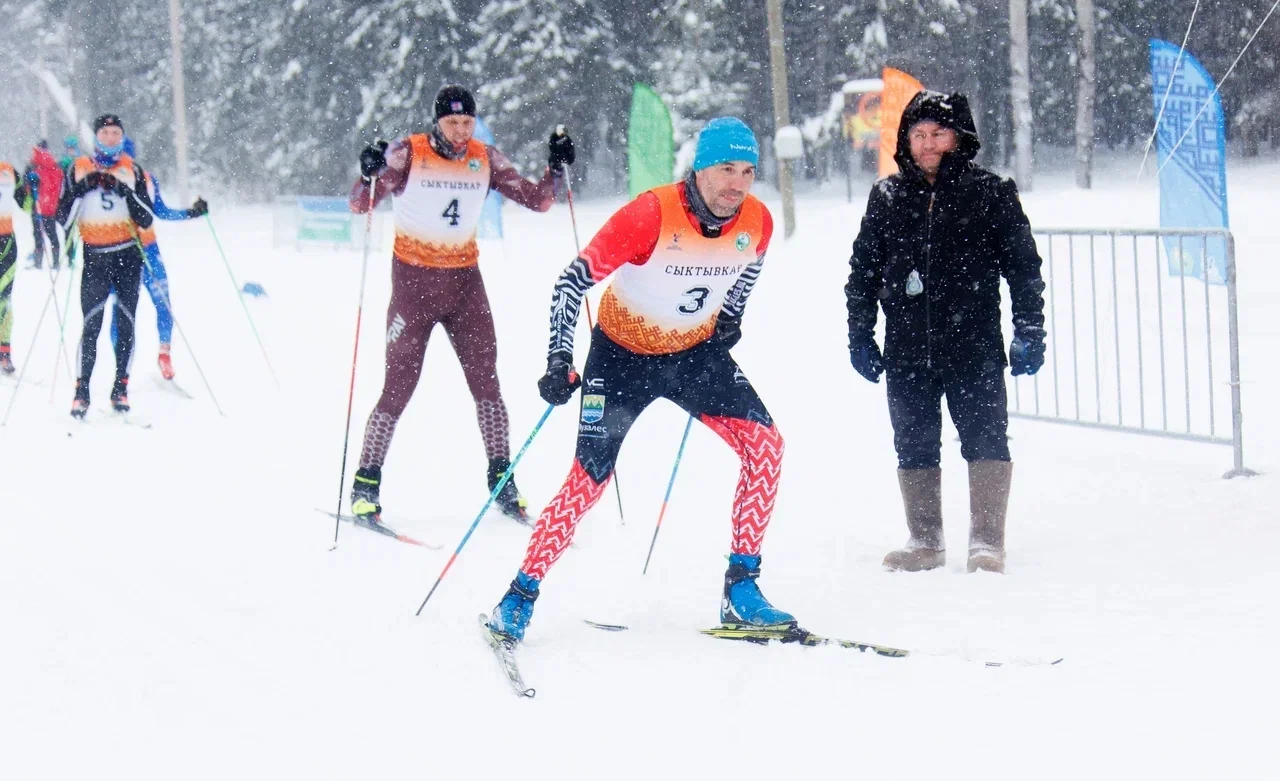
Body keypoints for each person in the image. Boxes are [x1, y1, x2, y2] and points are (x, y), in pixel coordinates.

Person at [487, 117, 791, 643]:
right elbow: (570, 284)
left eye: (747, 171)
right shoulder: (651, 214)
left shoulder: (757, 221)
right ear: (701, 167)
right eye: (726, 169)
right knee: (588, 481)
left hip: (694, 354)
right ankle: (520, 593)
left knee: (766, 446)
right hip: (621, 358)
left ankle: (741, 588)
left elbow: (750, 265)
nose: (737, 183)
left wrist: (731, 315)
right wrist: (559, 358)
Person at [346, 84, 569, 524]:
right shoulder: (408, 153)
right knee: (398, 388)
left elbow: (539, 201)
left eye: (468, 121)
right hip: (413, 289)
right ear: (437, 121)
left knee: (487, 384)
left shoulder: (484, 158)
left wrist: (556, 168)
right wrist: (367, 173)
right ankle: (365, 483)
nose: (461, 131)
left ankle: (502, 479)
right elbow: (360, 204)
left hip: (465, 286)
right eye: (453, 122)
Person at [844, 91, 1045, 574]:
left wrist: (1029, 329)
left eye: (938, 133)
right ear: (906, 140)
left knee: (986, 437)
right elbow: (863, 271)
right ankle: (925, 542)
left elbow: (1023, 269)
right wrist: (860, 334)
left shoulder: (991, 193)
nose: (928, 144)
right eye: (918, 134)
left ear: (959, 138)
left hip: (974, 345)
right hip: (907, 348)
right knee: (913, 442)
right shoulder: (887, 197)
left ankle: (986, 543)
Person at [56, 114, 155, 417]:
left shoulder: (133, 170)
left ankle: (120, 388)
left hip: (128, 256)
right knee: (91, 325)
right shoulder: (78, 167)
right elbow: (63, 218)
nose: (111, 138)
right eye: (105, 133)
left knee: (126, 323)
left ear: (122, 137)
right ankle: (81, 391)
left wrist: (125, 191)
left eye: (115, 133)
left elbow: (146, 218)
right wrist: (83, 187)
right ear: (96, 137)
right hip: (96, 257)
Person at [108, 138, 210, 381]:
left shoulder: (143, 178)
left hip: (143, 251)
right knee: (129, 309)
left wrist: (192, 212)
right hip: (125, 253)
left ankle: (158, 355)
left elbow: (160, 211)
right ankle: (129, 362)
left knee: (153, 304)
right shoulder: (110, 178)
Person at [25, 142, 63, 269]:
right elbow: (56, 188)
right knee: (52, 234)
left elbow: (29, 189)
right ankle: (56, 262)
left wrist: (32, 187)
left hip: (39, 207)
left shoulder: (36, 168)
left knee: (38, 234)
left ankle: (38, 262)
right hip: (50, 208)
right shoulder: (54, 167)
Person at [0, 160, 22, 374]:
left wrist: (31, 187)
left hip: (6, 246)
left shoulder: (8, 171)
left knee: (4, 300)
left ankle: (4, 351)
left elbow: (26, 204)